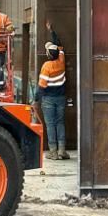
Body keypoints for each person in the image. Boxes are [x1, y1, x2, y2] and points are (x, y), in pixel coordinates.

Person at [35, 21, 68, 160]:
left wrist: (36, 100)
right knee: (60, 123)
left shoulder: (46, 66)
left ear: (48, 54)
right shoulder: (61, 61)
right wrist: (51, 31)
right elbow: (59, 44)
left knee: (50, 124)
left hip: (48, 99)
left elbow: (42, 86)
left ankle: (53, 151)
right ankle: (62, 151)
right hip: (61, 98)